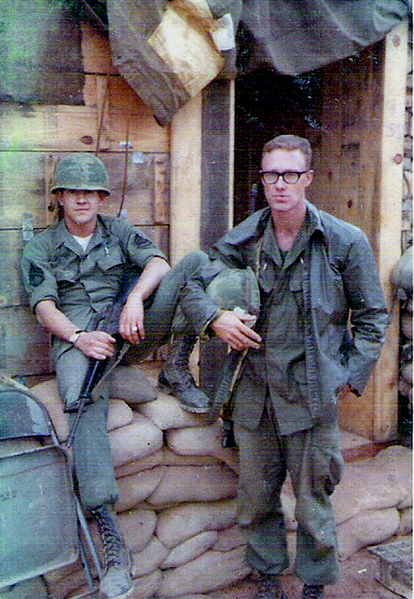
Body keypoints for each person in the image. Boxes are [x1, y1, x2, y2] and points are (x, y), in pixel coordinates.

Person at [178, 135, 389, 599]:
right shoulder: (244, 239)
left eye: (291, 174)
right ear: (263, 179)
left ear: (308, 178)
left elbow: (374, 317)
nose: (280, 185)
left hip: (312, 392)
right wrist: (216, 320)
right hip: (253, 390)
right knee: (256, 497)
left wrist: (348, 376)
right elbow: (193, 284)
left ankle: (313, 584)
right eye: (271, 174)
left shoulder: (344, 241)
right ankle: (268, 577)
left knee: (313, 500)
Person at [21, 153, 213, 599]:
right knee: (83, 401)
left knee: (193, 264)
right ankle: (111, 540)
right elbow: (44, 307)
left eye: (91, 192)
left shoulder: (118, 231)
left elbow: (160, 264)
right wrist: (81, 337)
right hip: (79, 340)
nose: (83, 200)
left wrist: (134, 301)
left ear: (101, 198)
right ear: (61, 198)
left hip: (130, 329)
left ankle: (175, 366)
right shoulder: (42, 247)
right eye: (74, 192)